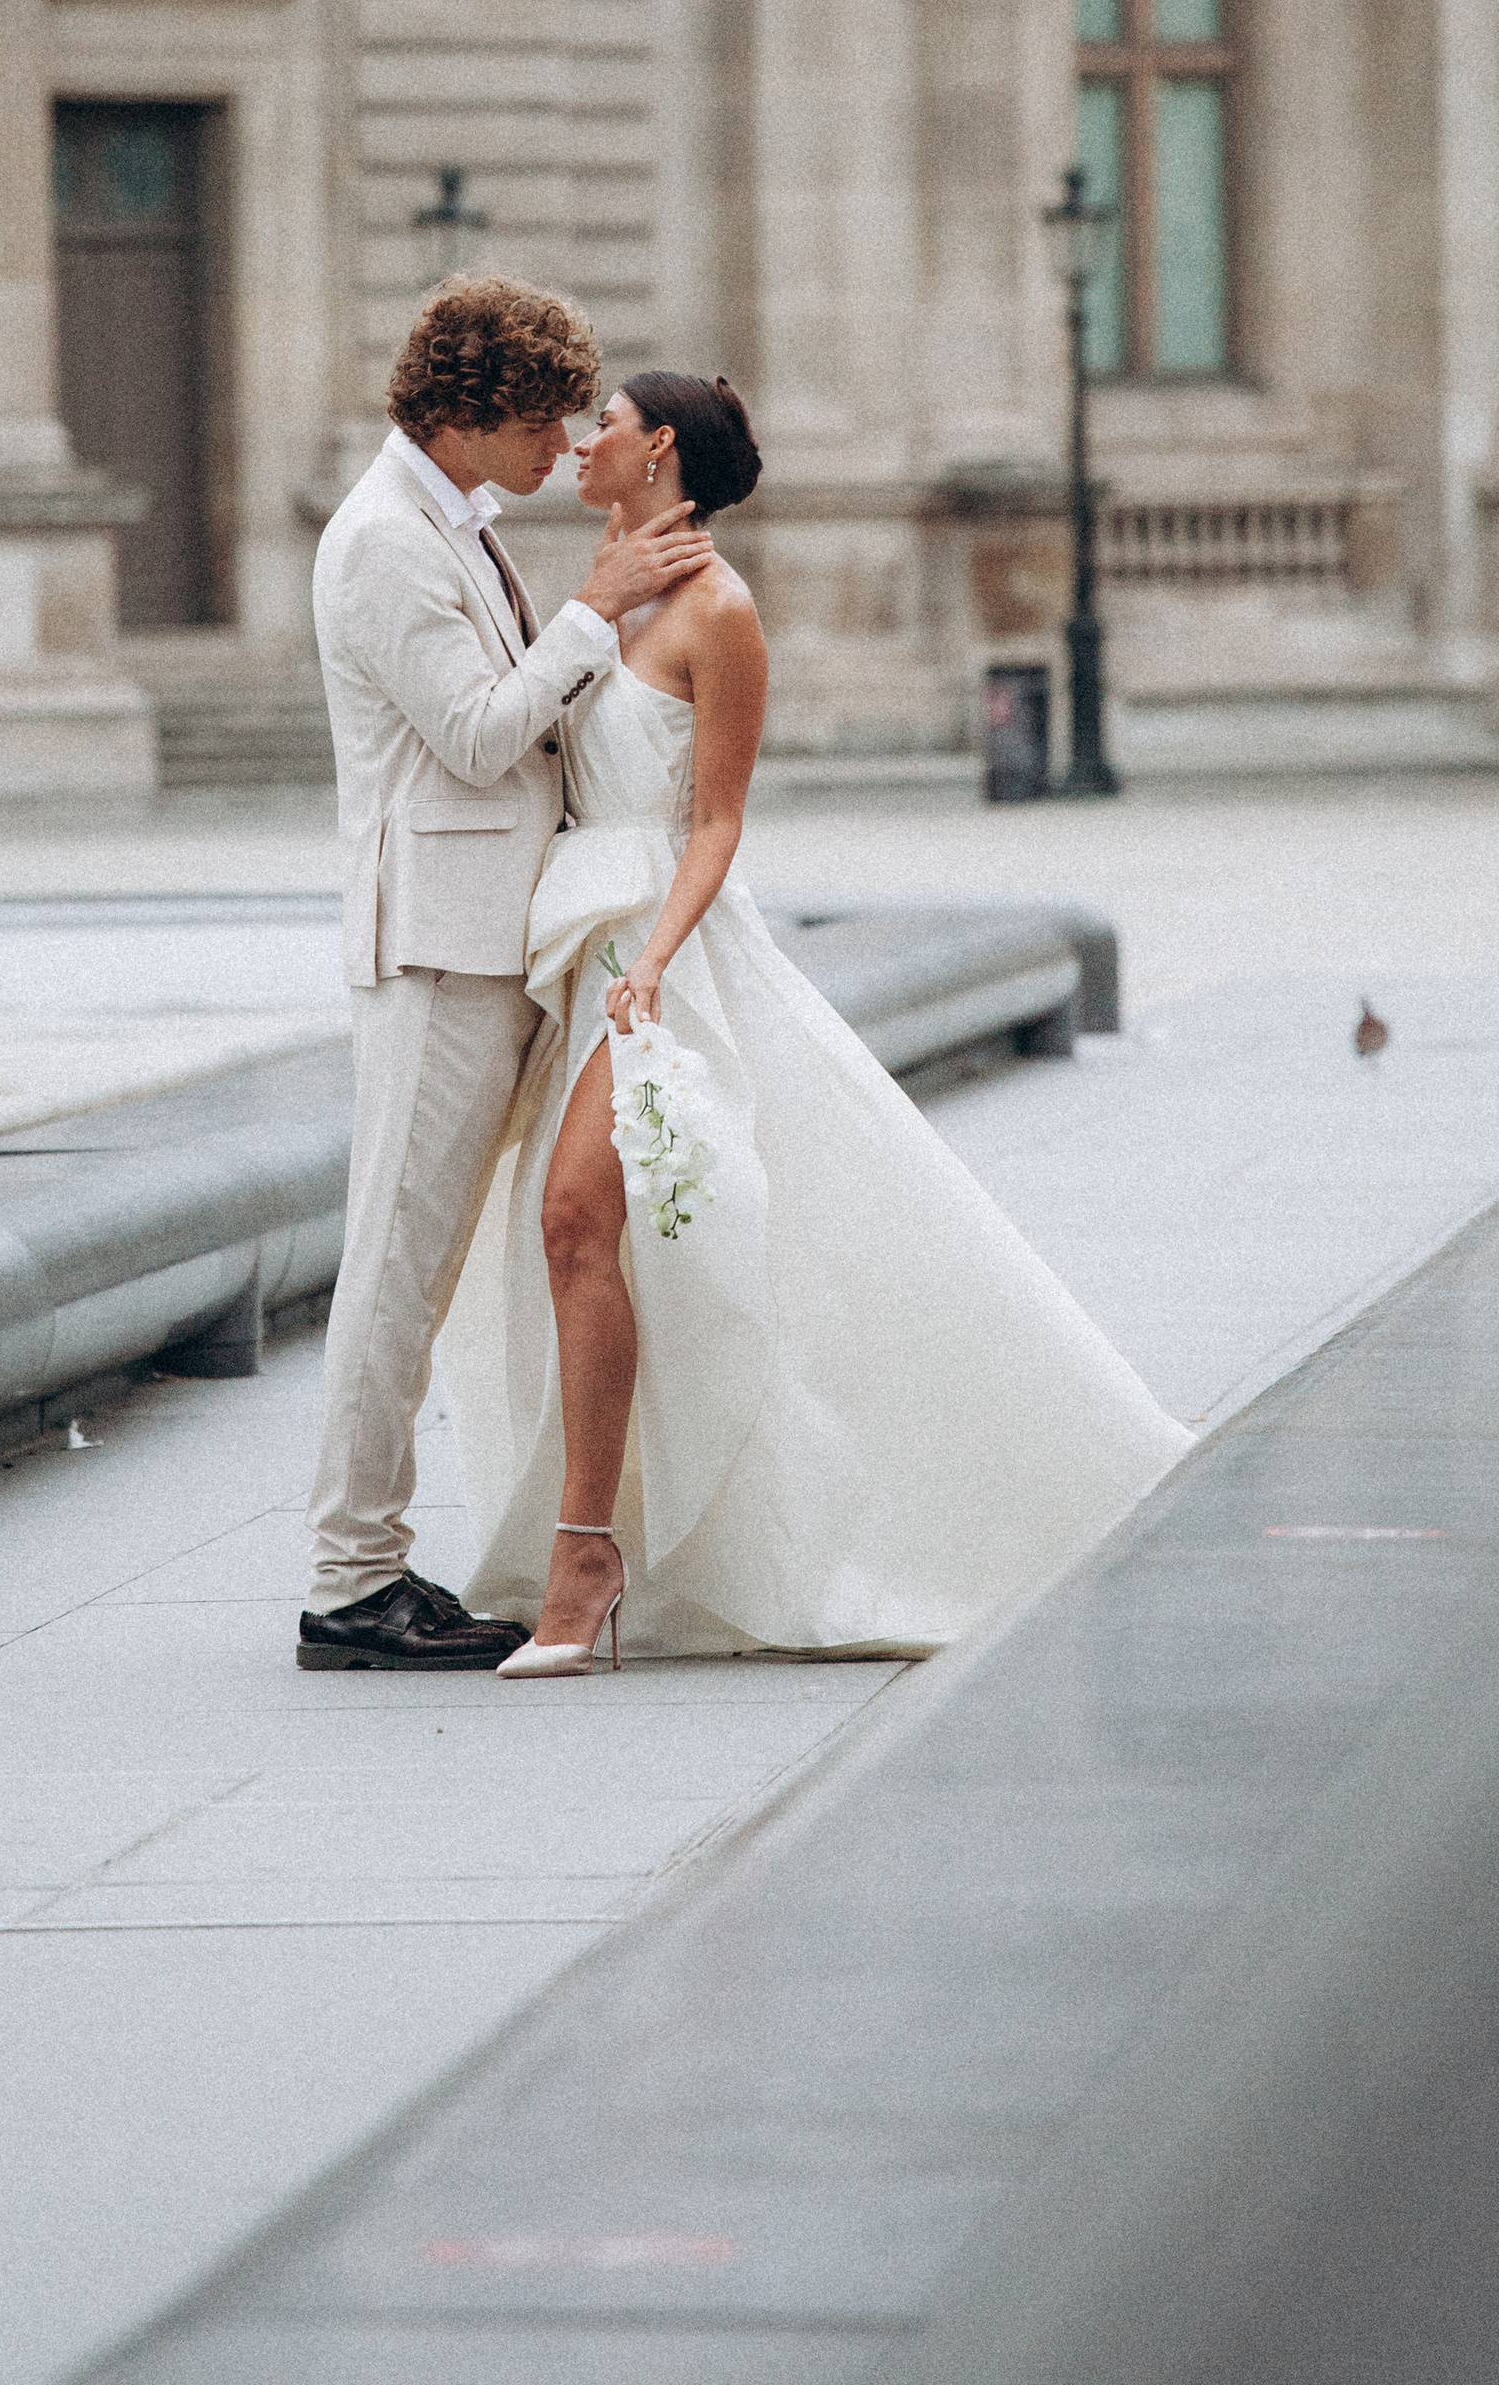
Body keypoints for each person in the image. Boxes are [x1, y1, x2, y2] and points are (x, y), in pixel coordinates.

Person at [437, 370, 1190, 1673]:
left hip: (653, 955)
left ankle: (586, 1557)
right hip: (573, 947)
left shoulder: (720, 612)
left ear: (658, 445)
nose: (577, 443)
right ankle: (610, 1537)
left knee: (576, 1219)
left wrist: (654, 962)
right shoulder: (606, 581)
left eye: (602, 425)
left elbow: (719, 820)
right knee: (594, 1242)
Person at [299, 277, 712, 1673]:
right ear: (476, 413)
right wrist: (596, 612)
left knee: (446, 1262)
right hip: (434, 946)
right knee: (397, 1269)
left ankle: (383, 1561)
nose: (563, 449)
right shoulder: (378, 543)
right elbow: (480, 737)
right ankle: (351, 1581)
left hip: (502, 937)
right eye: (546, 422)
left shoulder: (447, 524)